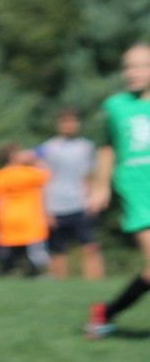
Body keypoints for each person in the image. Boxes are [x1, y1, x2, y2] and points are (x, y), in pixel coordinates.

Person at [86, 42, 150, 337]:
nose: (133, 72)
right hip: (136, 189)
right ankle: (105, 314)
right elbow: (106, 148)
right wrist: (100, 186)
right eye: (128, 66)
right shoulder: (115, 106)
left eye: (141, 66)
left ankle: (105, 312)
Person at [38, 107, 104, 280]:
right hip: (56, 205)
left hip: (80, 203)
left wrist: (92, 199)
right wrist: (46, 210)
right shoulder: (48, 148)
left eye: (72, 121)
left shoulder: (86, 146)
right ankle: (60, 284)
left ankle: (94, 282)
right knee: (58, 250)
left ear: (78, 123)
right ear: (58, 124)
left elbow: (89, 176)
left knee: (89, 246)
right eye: (64, 122)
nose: (68, 125)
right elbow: (43, 180)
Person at [0, 144, 51, 277]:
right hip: (29, 217)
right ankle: (36, 273)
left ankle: (8, 271)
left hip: (8, 217)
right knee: (34, 251)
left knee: (11, 250)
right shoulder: (29, 173)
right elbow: (47, 175)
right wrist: (35, 158)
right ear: (13, 156)